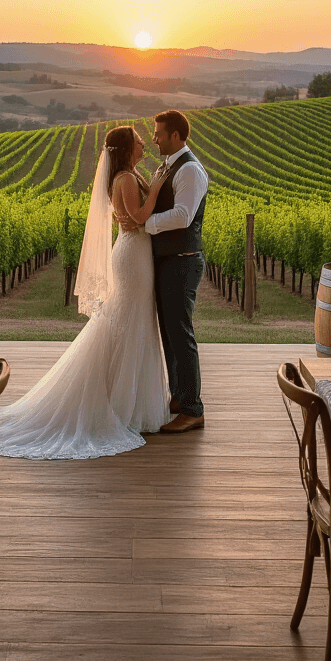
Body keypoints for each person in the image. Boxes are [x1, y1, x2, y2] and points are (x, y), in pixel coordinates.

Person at [0, 125, 170, 460]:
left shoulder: (129, 175)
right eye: (140, 142)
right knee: (129, 323)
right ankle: (122, 408)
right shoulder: (126, 179)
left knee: (133, 323)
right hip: (132, 256)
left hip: (137, 254)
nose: (145, 144)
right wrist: (156, 186)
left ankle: (129, 404)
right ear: (128, 148)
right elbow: (140, 217)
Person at [145, 110, 209, 433]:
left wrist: (148, 224)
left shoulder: (190, 171)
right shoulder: (169, 166)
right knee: (169, 333)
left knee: (181, 334)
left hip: (182, 260)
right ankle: (179, 396)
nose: (154, 138)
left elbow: (183, 216)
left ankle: (193, 409)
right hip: (169, 259)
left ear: (176, 135)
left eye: (158, 133)